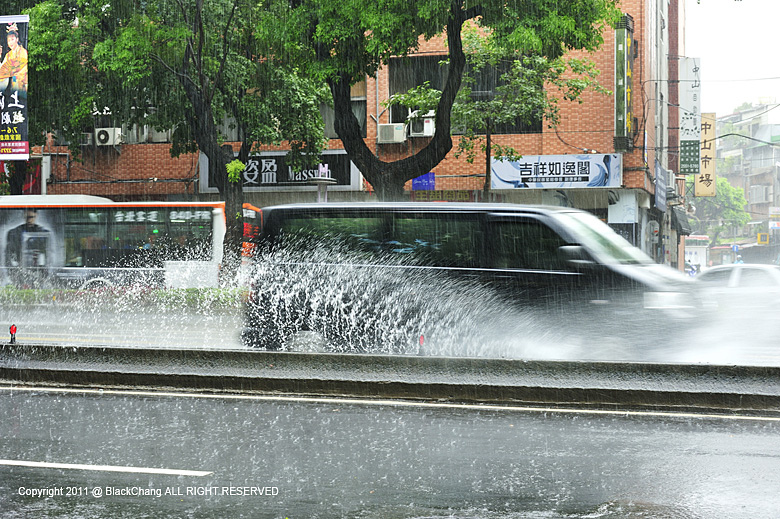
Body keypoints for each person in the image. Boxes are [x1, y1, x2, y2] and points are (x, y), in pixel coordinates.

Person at [4, 208, 50, 286]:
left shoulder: (43, 233)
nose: (29, 220)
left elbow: (47, 255)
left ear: (36, 216)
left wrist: (44, 274)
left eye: (31, 217)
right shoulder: (14, 233)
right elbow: (8, 255)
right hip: (20, 271)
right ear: (24, 216)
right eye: (27, 217)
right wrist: (12, 272)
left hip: (38, 271)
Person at [0, 22, 27, 93]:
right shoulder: (8, 55)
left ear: (17, 39)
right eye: (9, 40)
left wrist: (15, 72)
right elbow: (3, 68)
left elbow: (24, 67)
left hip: (22, 83)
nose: (10, 42)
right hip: (12, 83)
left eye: (12, 39)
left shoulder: (23, 52)